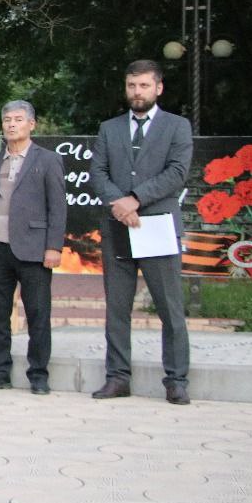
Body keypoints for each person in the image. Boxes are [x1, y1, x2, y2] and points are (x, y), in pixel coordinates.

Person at [90, 60, 193, 405]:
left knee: (169, 307)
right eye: (132, 86)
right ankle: (118, 377)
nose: (137, 92)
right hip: (118, 226)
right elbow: (98, 172)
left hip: (157, 225)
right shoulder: (109, 128)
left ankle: (176, 379)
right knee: (117, 308)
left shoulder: (177, 127)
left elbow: (177, 173)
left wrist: (136, 199)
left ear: (158, 88)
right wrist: (119, 204)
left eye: (144, 86)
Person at [0, 100, 66, 395]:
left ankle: (38, 374)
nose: (12, 124)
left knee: (38, 313)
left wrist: (54, 246)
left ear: (31, 124)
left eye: (18, 119)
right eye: (7, 120)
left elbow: (58, 207)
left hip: (34, 249)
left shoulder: (47, 160)